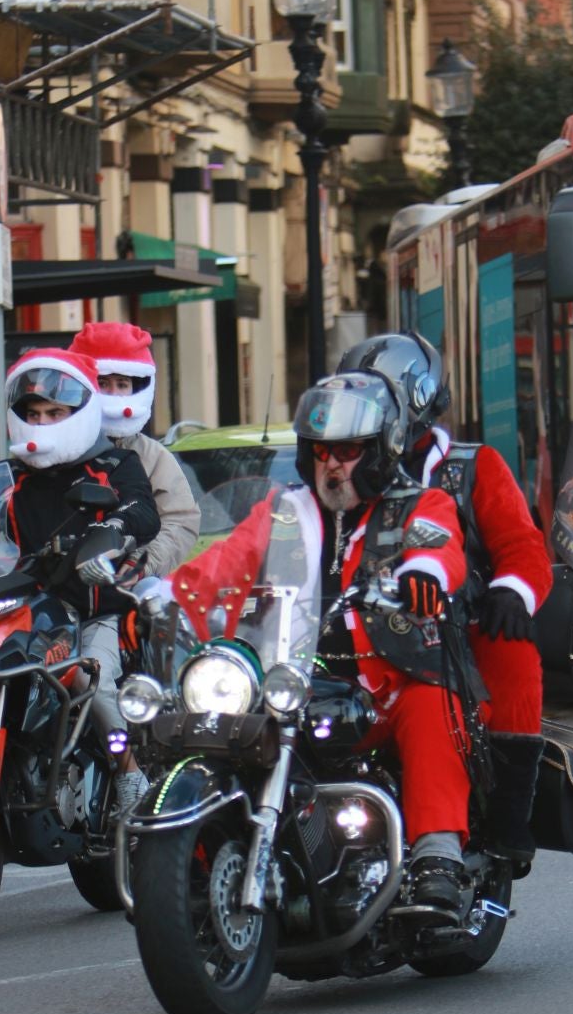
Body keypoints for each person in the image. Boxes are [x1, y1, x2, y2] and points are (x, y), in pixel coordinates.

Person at [142, 371, 475, 919]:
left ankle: (437, 854)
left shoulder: (417, 504)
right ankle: (196, 857)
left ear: (379, 450)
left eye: (346, 450)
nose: (331, 464)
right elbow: (226, 563)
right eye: (320, 452)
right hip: (290, 676)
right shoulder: (282, 511)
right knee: (215, 724)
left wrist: (425, 576)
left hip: (385, 679)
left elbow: (439, 547)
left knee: (429, 703)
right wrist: (166, 600)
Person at [339, 330, 553, 870]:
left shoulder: (471, 467)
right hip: (359, 625)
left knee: (512, 651)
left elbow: (523, 546)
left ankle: (507, 816)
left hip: (458, 623)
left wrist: (511, 593)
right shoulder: (339, 470)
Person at [4, 347, 160, 811]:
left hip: (94, 610)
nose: (44, 421)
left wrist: (111, 533)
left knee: (91, 679)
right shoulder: (9, 476)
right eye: (34, 412)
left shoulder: (113, 465)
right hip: (25, 610)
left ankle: (128, 770)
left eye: (55, 412)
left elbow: (142, 511)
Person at [67, 321, 200, 577]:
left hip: (122, 587)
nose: (114, 395)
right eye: (103, 383)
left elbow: (180, 520)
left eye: (122, 384)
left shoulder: (153, 456)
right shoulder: (54, 453)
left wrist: (137, 567)